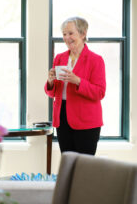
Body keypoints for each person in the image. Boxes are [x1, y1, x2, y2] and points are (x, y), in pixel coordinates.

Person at [45, 17, 106, 155]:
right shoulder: (59, 58)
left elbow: (100, 92)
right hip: (62, 118)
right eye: (64, 34)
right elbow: (52, 93)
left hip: (86, 121)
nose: (67, 38)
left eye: (70, 33)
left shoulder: (96, 60)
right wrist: (50, 81)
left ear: (83, 33)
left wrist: (78, 81)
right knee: (68, 163)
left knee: (84, 167)